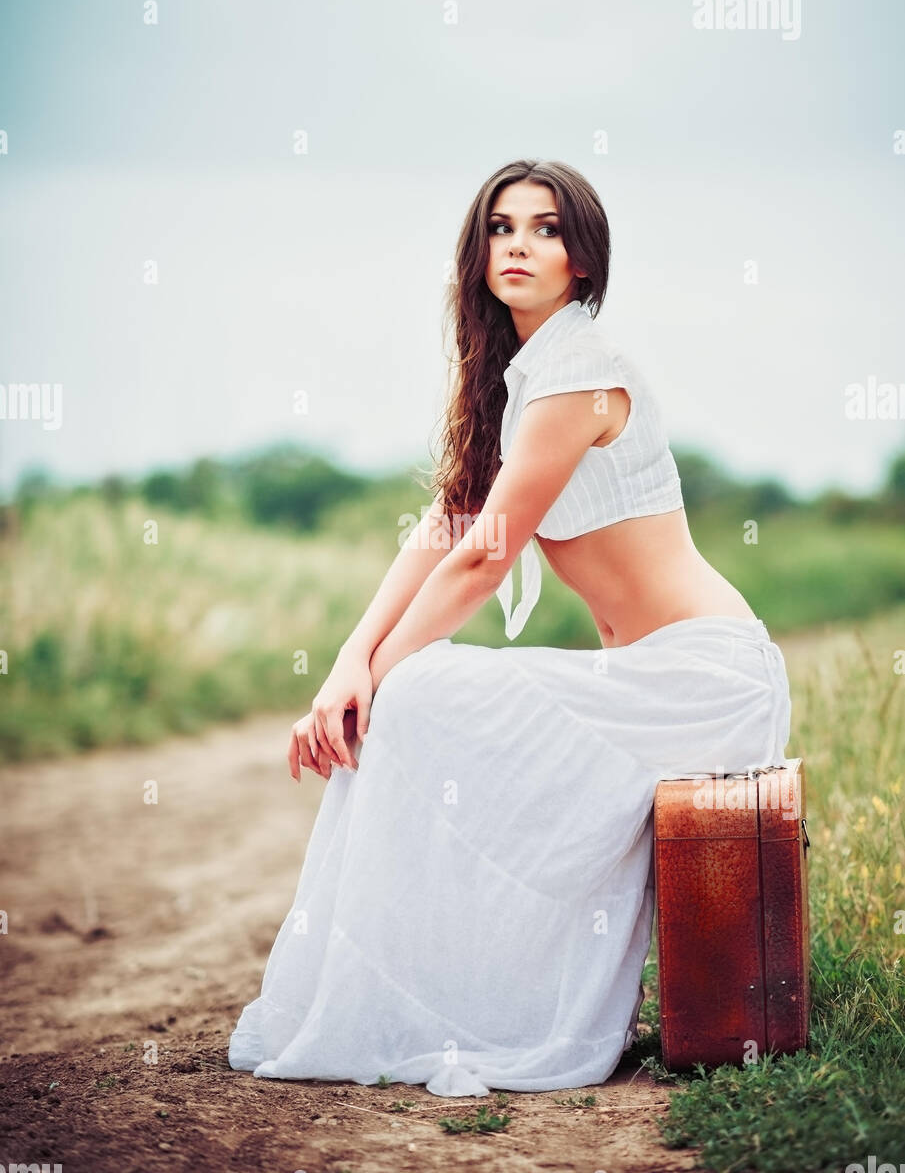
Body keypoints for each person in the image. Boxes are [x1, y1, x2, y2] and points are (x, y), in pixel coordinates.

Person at [228, 158, 792, 1097]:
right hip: (651, 686)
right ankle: (431, 997)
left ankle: (462, 1008)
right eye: (500, 227)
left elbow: (485, 558)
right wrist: (348, 664)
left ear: (582, 259)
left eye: (545, 228)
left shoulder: (578, 371)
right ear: (477, 251)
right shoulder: (519, 378)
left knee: (427, 690)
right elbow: (444, 528)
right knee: (415, 692)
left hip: (703, 683)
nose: (518, 245)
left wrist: (381, 679)